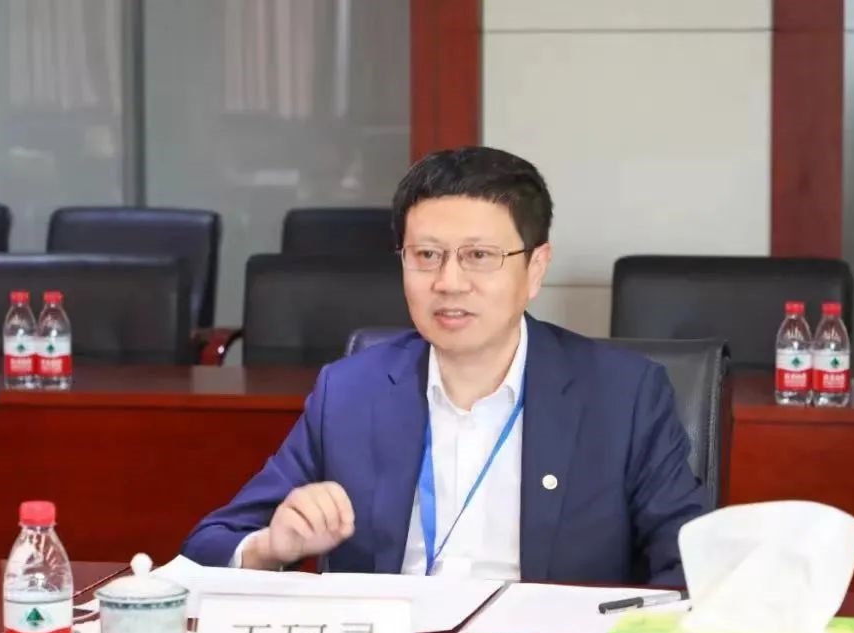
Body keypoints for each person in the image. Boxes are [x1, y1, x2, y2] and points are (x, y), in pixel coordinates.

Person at [181, 146, 708, 585]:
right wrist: (271, 547)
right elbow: (209, 544)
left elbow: (690, 566)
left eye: (479, 256)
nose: (449, 282)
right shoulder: (351, 391)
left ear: (535, 268)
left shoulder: (622, 395)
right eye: (427, 255)